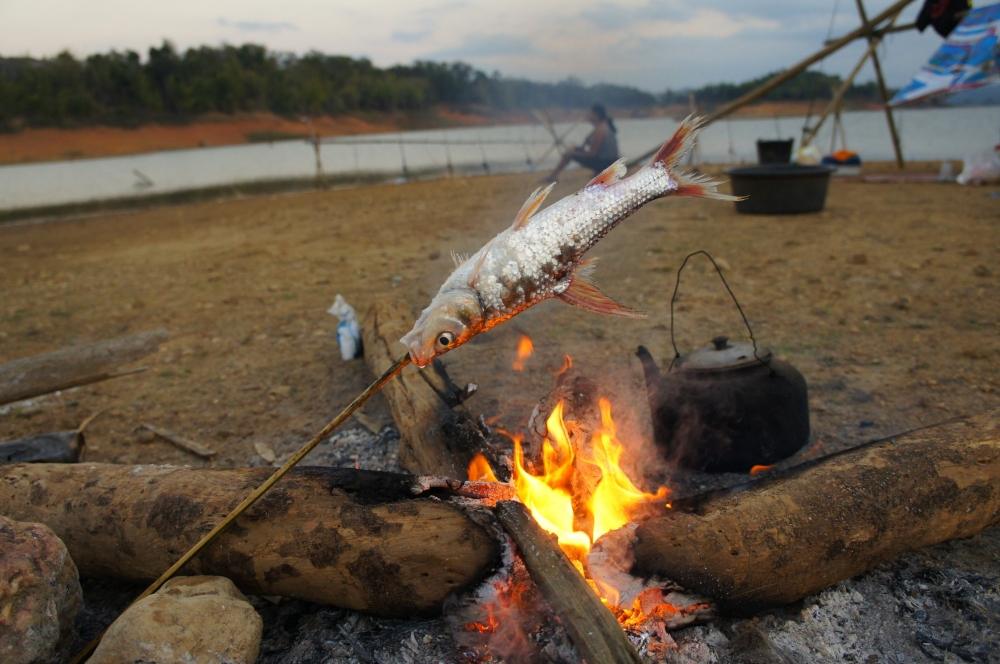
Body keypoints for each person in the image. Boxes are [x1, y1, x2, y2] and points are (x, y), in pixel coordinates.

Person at [546, 104, 620, 181]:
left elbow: (592, 154)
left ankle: (553, 176)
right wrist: (578, 148)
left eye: (590, 114)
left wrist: (572, 153)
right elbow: (590, 146)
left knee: (568, 154)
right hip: (610, 161)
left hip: (605, 164)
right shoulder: (603, 126)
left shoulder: (600, 130)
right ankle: (598, 171)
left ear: (596, 116)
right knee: (574, 150)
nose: (588, 115)